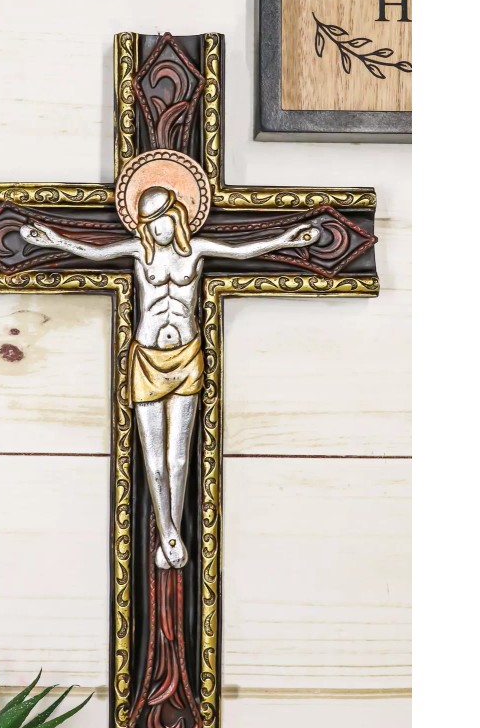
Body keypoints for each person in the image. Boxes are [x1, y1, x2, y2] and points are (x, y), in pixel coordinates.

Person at [21, 186, 321, 568]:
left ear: (176, 216)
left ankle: (171, 534)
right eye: (149, 223)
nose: (157, 228)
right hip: (148, 359)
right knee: (154, 459)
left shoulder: (196, 250)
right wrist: (52, 239)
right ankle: (168, 532)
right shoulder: (138, 251)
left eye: (162, 219)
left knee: (178, 458)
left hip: (187, 355)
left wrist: (287, 239)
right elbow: (95, 252)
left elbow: (242, 251)